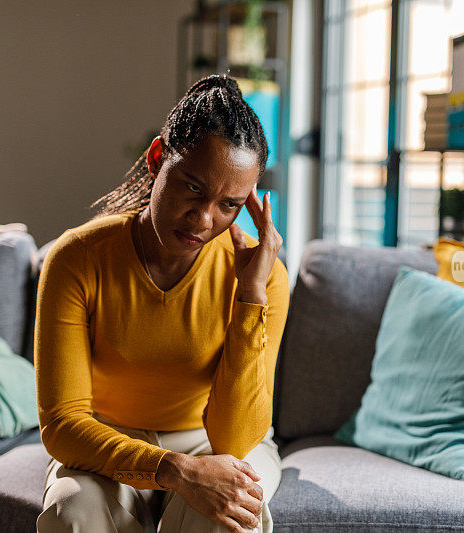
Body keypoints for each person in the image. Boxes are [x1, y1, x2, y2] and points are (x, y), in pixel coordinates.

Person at [34, 73, 290, 533]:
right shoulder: (77, 259)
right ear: (157, 159)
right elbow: (62, 423)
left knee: (230, 518)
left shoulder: (263, 278)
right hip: (107, 439)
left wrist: (249, 297)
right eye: (193, 187)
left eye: (229, 204)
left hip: (213, 442)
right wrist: (173, 470)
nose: (203, 218)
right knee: (70, 511)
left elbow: (233, 438)